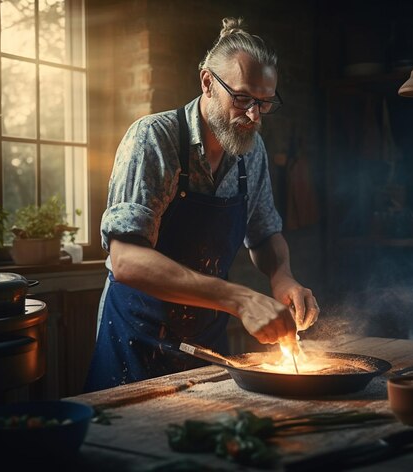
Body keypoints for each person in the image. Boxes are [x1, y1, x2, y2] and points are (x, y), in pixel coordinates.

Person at [84, 17, 319, 393]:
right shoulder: (153, 138)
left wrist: (282, 276)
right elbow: (126, 260)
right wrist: (239, 298)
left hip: (206, 348)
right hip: (134, 342)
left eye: (264, 103)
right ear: (207, 82)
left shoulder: (251, 150)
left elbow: (264, 234)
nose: (254, 116)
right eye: (242, 99)